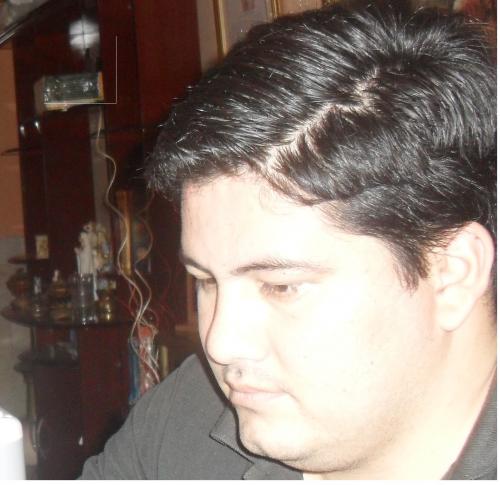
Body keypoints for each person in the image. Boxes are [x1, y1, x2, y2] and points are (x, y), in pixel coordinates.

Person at [80, 1, 496, 480]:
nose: (220, 343)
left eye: (282, 286)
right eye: (205, 281)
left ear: (452, 275)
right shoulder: (184, 416)